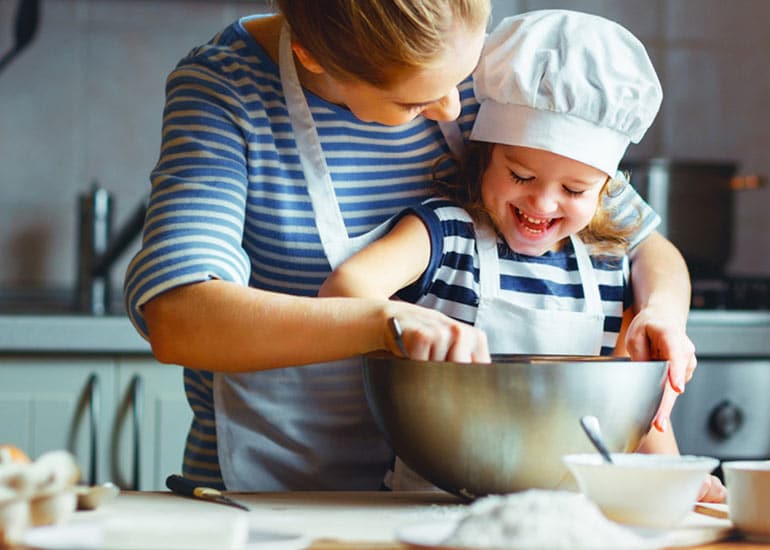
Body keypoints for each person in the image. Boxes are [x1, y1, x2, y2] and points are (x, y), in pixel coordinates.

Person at [124, 1, 697, 493]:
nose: (454, 108)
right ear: (313, 58)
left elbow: (644, 244)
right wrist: (382, 322)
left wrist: (661, 314)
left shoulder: (492, 79)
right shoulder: (229, 91)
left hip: (444, 496)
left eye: (463, 78)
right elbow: (179, 315)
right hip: (278, 492)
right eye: (414, 103)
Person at [320, 9, 724, 502]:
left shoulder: (606, 263)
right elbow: (343, 290)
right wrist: (400, 323)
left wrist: (673, 480)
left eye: (575, 189)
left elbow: (636, 413)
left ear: (606, 192)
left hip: (571, 514)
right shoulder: (446, 234)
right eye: (521, 176)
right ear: (484, 156)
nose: (543, 203)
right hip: (432, 500)